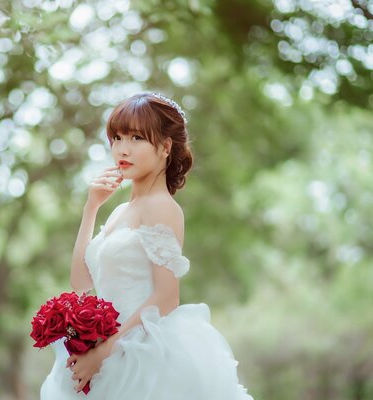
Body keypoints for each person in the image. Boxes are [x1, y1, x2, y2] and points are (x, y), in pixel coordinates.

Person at [39, 93, 253, 400]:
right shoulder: (118, 212)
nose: (122, 149)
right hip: (104, 352)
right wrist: (91, 208)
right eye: (117, 137)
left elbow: (166, 297)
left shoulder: (161, 207)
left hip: (140, 353)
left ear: (165, 146)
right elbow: (82, 284)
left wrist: (106, 353)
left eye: (137, 137)